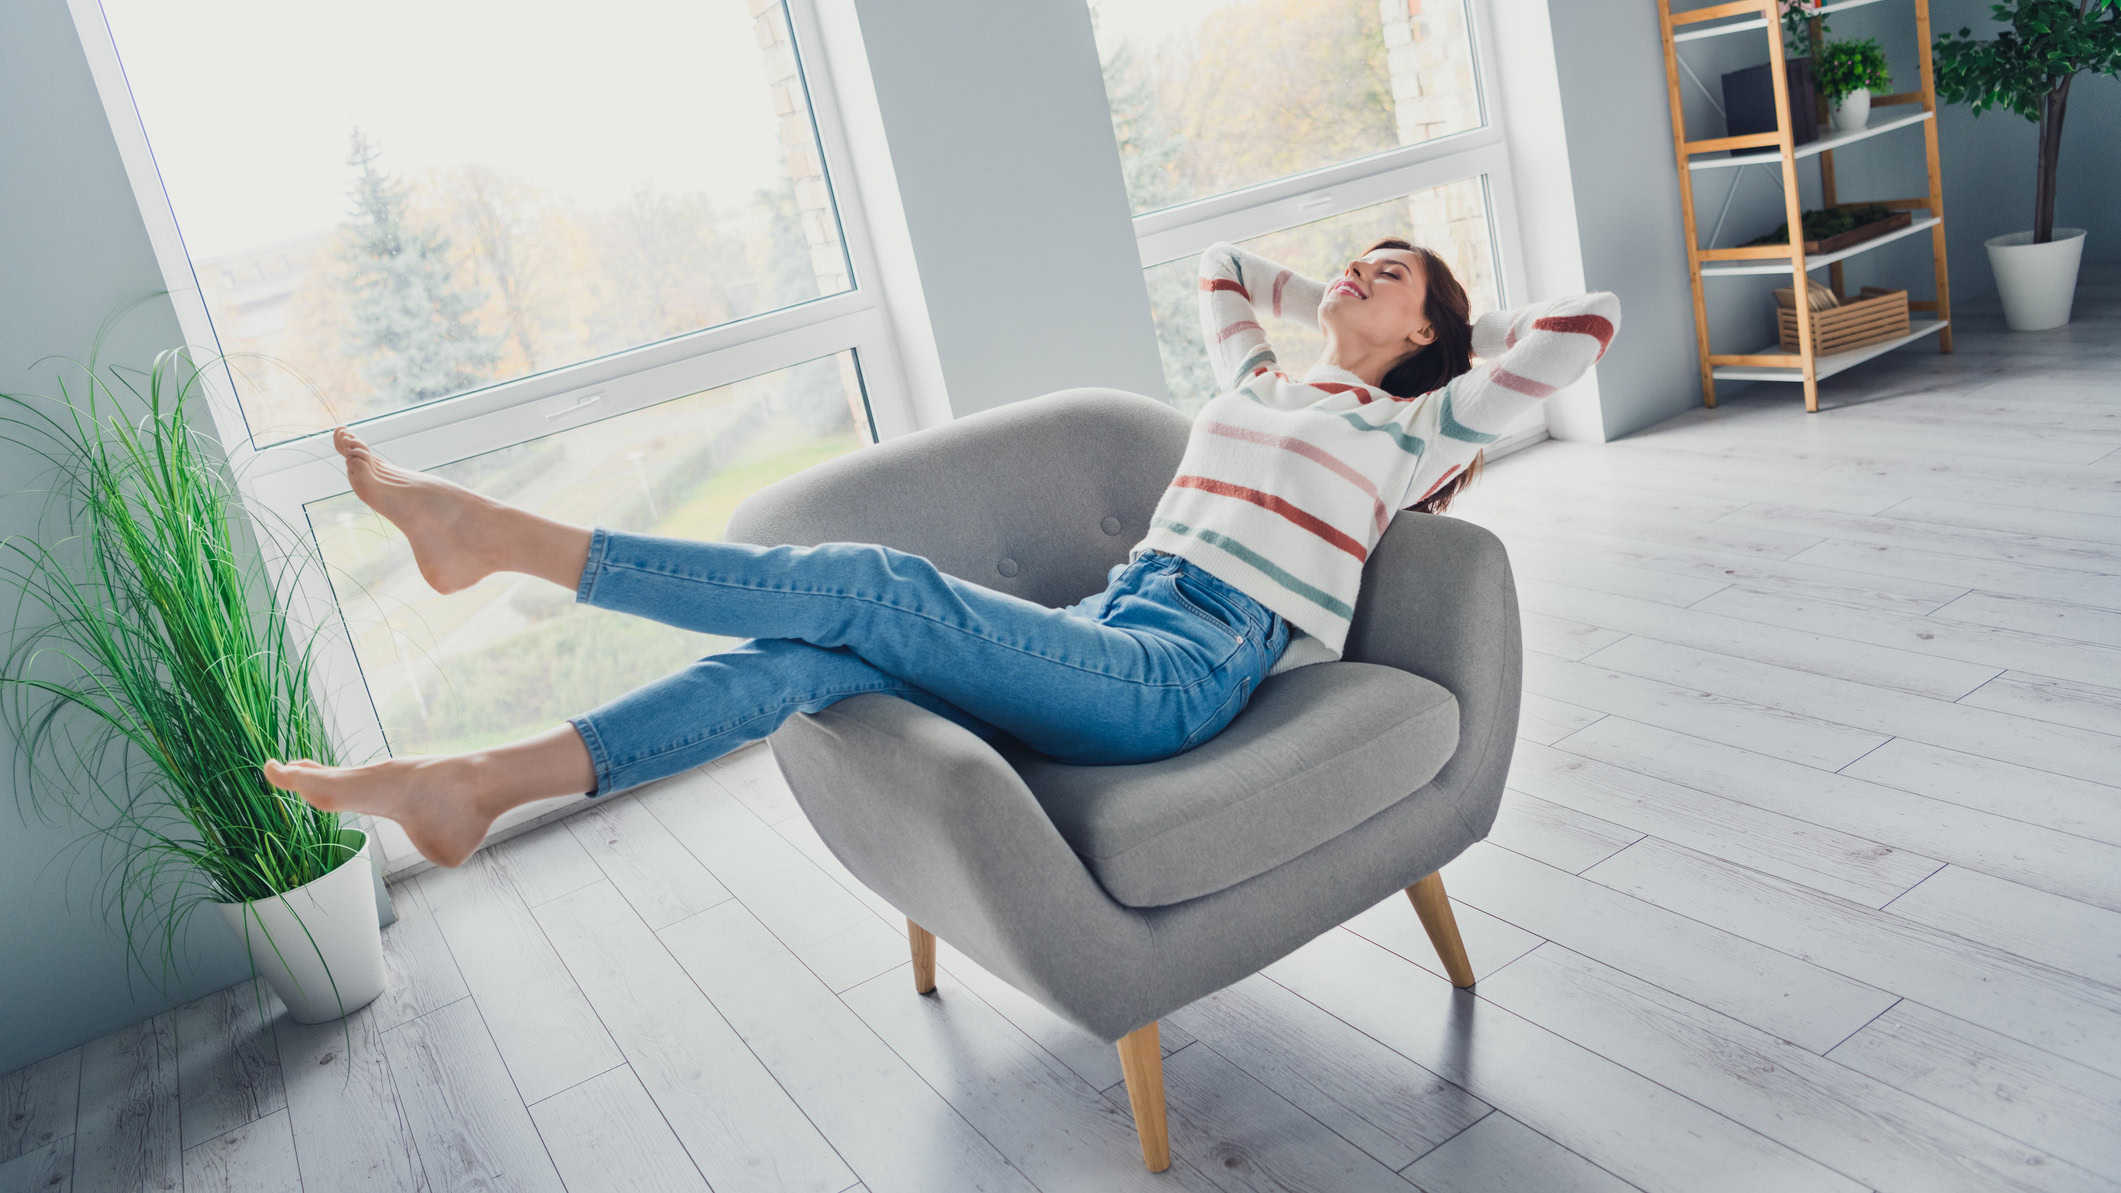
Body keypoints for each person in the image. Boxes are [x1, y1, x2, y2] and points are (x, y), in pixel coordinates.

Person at [263, 237, 1619, 868]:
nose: (1355, 275)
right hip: (1109, 620)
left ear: (1431, 334)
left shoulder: (1414, 428)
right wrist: (1334, 300)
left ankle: (497, 537)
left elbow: (1585, 328)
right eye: (1355, 261)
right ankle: (481, 782)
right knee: (800, 653)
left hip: (1178, 671)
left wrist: (1449, 334)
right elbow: (1217, 266)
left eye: (1391, 277)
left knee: (866, 585)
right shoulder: (1260, 386)